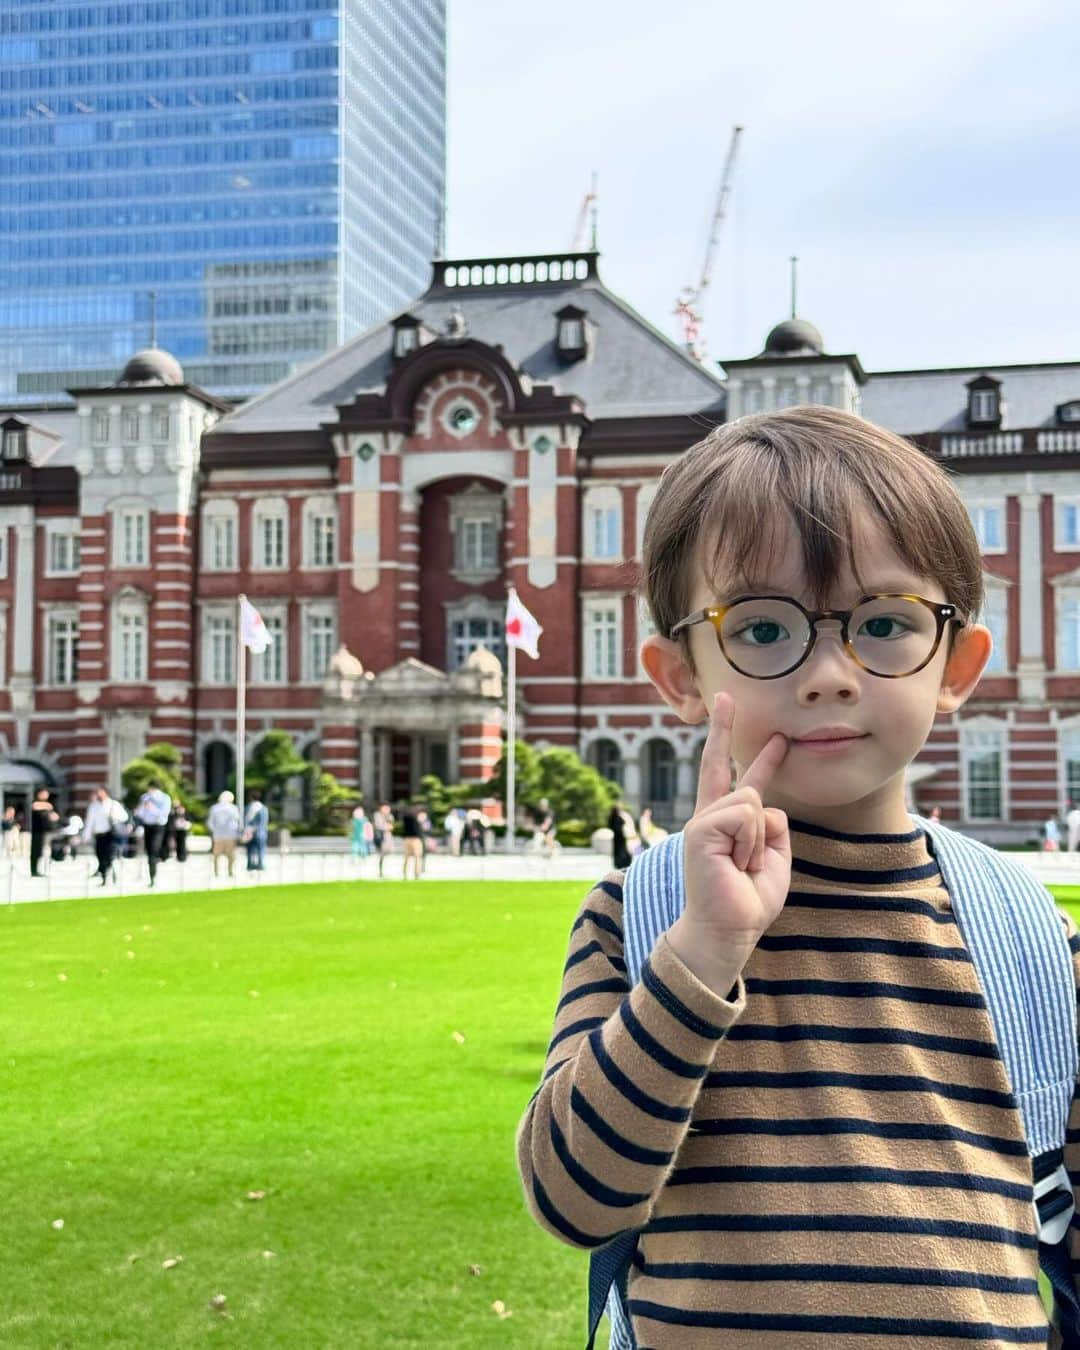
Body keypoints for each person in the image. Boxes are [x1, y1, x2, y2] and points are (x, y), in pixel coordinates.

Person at [513, 406, 1080, 1345]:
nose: (828, 672)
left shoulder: (1025, 935)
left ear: (958, 665)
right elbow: (575, 1200)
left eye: (886, 622)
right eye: (764, 629)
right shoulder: (642, 915)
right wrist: (702, 954)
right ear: (679, 677)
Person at [81, 786, 126, 884]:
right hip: (99, 835)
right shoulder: (94, 806)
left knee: (109, 855)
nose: (99, 795)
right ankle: (104, 876)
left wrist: (114, 815)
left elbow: (124, 817)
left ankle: (108, 876)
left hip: (110, 835)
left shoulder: (113, 804)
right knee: (100, 856)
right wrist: (86, 836)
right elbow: (89, 822)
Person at [135, 778, 172, 887]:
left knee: (153, 850)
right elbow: (140, 814)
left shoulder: (165, 798)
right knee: (149, 851)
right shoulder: (145, 797)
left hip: (159, 826)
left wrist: (152, 808)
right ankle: (152, 873)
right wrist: (141, 808)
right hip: (147, 826)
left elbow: (164, 814)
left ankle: (153, 876)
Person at [206, 789, 242, 877]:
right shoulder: (233, 808)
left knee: (216, 856)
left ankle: (216, 872)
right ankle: (230, 872)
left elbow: (210, 822)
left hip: (218, 835)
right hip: (230, 835)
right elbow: (237, 822)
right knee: (231, 855)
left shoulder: (214, 808)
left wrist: (214, 831)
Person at [29, 787, 60, 877]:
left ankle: (42, 870)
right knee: (35, 851)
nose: (46, 795)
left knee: (44, 853)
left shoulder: (51, 804)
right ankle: (34, 870)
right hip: (37, 831)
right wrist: (47, 806)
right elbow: (34, 806)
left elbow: (56, 816)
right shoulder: (36, 802)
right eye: (44, 793)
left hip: (47, 832)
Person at [244, 791, 270, 871]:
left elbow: (244, 820)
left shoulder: (247, 807)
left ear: (251, 797)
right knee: (261, 849)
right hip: (260, 833)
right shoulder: (263, 808)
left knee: (250, 849)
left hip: (249, 832)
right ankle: (260, 864)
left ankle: (249, 864)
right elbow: (263, 822)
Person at [606, 798, 633, 870]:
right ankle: (620, 864)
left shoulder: (620, 816)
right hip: (618, 837)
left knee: (623, 851)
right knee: (619, 851)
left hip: (621, 837)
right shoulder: (614, 817)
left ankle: (623, 863)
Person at [400, 806, 423, 880]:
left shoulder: (405, 818)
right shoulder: (415, 819)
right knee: (417, 858)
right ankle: (417, 874)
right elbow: (417, 830)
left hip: (407, 839)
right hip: (415, 839)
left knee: (406, 858)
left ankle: (405, 874)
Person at [372, 802, 394, 877]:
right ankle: (380, 871)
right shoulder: (377, 815)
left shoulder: (390, 816)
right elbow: (379, 826)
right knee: (380, 854)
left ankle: (384, 871)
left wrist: (387, 826)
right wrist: (386, 827)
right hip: (380, 838)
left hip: (388, 838)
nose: (387, 810)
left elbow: (391, 827)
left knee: (387, 854)